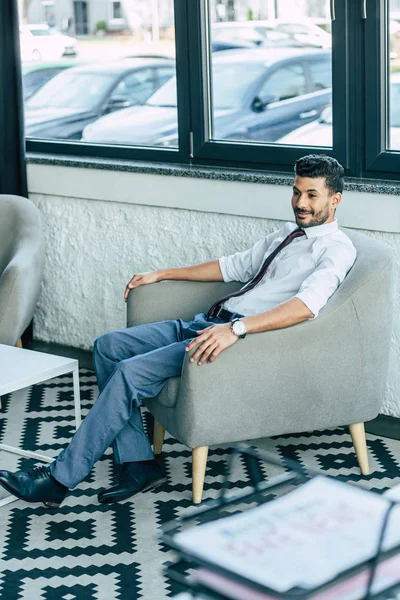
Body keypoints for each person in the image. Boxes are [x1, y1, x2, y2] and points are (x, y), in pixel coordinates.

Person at [0, 154, 357, 508]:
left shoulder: (335, 249)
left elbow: (306, 306)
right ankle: (139, 462)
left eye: (311, 195)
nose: (300, 203)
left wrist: (237, 329)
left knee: (129, 373)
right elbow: (231, 266)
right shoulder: (288, 234)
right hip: (206, 321)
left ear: (334, 199)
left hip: (229, 338)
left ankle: (59, 479)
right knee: (108, 347)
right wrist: (163, 274)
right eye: (296, 192)